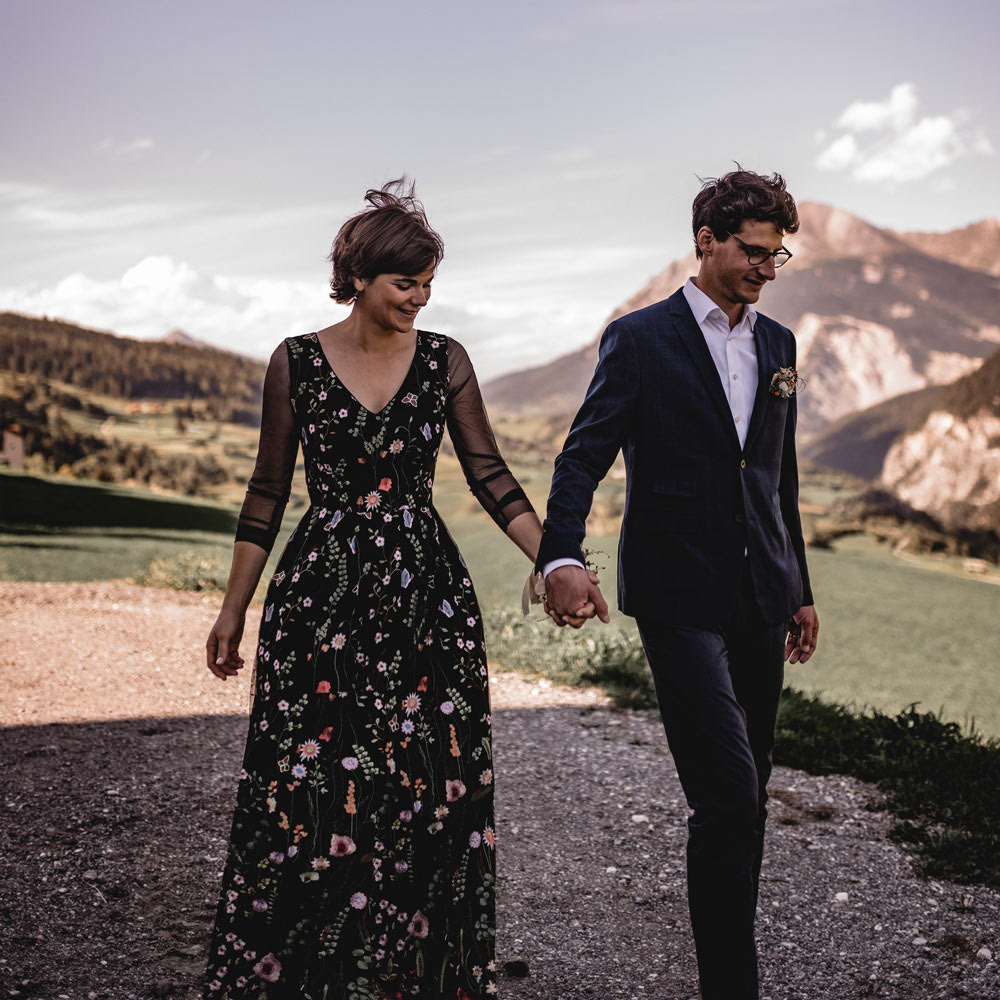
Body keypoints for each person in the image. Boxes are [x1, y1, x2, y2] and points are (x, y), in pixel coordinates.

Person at [203, 179, 557, 1000]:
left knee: (431, 787)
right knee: (311, 783)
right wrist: (232, 608)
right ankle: (305, 972)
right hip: (318, 597)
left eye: (430, 284)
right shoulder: (294, 361)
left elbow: (491, 477)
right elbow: (265, 491)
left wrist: (554, 559)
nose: (420, 299)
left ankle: (416, 975)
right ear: (359, 275)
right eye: (406, 283)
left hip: (426, 597)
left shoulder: (445, 360)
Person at [535, 168, 819, 1000]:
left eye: (779, 255)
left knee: (750, 794)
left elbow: (778, 476)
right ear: (706, 240)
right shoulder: (640, 337)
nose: (767, 269)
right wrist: (561, 556)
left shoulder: (779, 347)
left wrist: (797, 584)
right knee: (729, 795)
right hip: (675, 591)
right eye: (753, 252)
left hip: (762, 594)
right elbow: (584, 453)